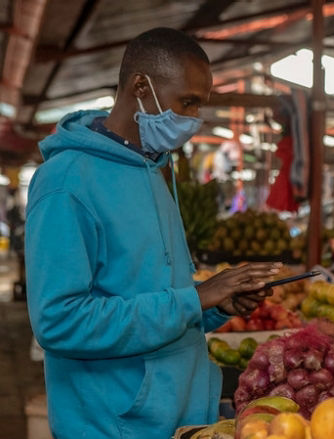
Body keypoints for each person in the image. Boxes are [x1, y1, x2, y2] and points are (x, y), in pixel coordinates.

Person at [25, 28, 280, 438]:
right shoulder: (66, 182)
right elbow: (59, 322)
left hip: (179, 416)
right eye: (187, 102)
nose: (194, 119)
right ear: (141, 86)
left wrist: (215, 308)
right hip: (114, 424)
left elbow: (149, 295)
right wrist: (194, 298)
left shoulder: (153, 169)